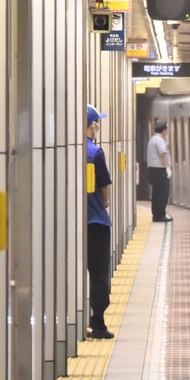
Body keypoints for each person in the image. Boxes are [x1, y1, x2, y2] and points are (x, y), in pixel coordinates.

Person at [85, 105, 115, 339]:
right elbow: (104, 186)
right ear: (92, 125)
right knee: (98, 273)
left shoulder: (74, 151)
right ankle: (98, 322)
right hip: (96, 222)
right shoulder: (95, 153)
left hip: (76, 224)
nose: (98, 127)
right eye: (97, 123)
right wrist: (104, 204)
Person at [145, 118, 172, 222]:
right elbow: (163, 154)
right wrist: (167, 168)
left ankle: (156, 215)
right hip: (159, 171)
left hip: (152, 170)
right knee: (162, 193)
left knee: (156, 194)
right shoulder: (160, 140)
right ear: (164, 130)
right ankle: (160, 215)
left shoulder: (152, 139)